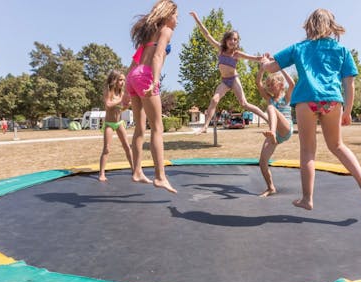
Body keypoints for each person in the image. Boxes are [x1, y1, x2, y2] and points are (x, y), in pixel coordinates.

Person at [261, 8, 361, 209]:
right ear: (331, 26)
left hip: (307, 100)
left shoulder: (299, 47)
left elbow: (271, 68)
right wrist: (348, 111)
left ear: (309, 26)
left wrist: (264, 62)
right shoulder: (342, 51)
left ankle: (307, 199)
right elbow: (349, 84)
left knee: (307, 151)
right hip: (333, 101)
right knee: (338, 146)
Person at [124, 0, 178, 193]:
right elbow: (156, 57)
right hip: (145, 76)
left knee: (139, 128)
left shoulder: (148, 35)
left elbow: (133, 63)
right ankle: (160, 177)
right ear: (167, 15)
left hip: (133, 76)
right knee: (157, 128)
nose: (177, 21)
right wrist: (155, 81)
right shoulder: (166, 31)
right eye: (176, 16)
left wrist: (125, 92)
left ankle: (137, 171)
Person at [189, 11, 268, 134]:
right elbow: (207, 34)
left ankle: (267, 118)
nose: (233, 41)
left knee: (244, 104)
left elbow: (254, 58)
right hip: (225, 81)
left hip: (234, 79)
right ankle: (204, 127)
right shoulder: (220, 49)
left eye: (235, 40)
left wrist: (263, 58)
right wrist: (197, 19)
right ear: (226, 40)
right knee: (214, 100)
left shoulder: (236, 54)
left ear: (237, 42)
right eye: (230, 39)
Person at [256, 67, 294, 197]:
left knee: (271, 107)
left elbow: (292, 84)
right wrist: (261, 69)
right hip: (275, 135)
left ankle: (271, 132)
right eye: (268, 86)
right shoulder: (269, 97)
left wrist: (281, 68)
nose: (270, 88)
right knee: (262, 162)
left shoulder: (286, 97)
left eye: (272, 85)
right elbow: (258, 84)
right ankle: (271, 187)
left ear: (281, 85)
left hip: (285, 129)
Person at [99, 70, 134, 182]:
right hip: (109, 124)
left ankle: (134, 170)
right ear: (114, 80)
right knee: (107, 149)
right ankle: (102, 173)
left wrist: (127, 106)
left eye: (124, 80)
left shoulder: (122, 94)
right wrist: (120, 101)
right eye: (120, 80)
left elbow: (120, 109)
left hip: (119, 123)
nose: (122, 82)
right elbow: (108, 105)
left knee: (127, 147)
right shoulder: (109, 92)